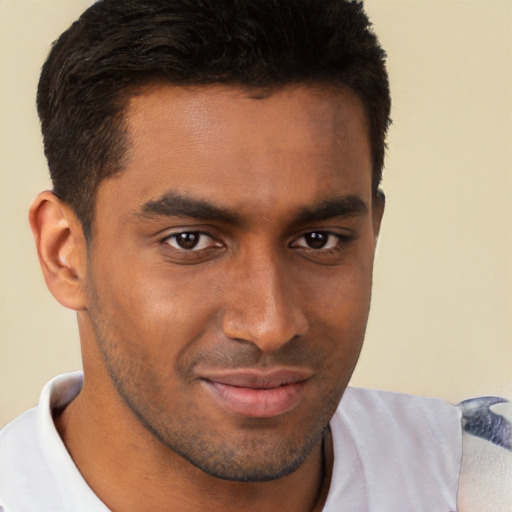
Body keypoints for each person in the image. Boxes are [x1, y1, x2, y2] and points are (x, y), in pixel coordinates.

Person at [0, 0, 510, 511]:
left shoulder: (487, 480)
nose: (270, 324)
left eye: (318, 240)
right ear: (64, 252)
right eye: (190, 241)